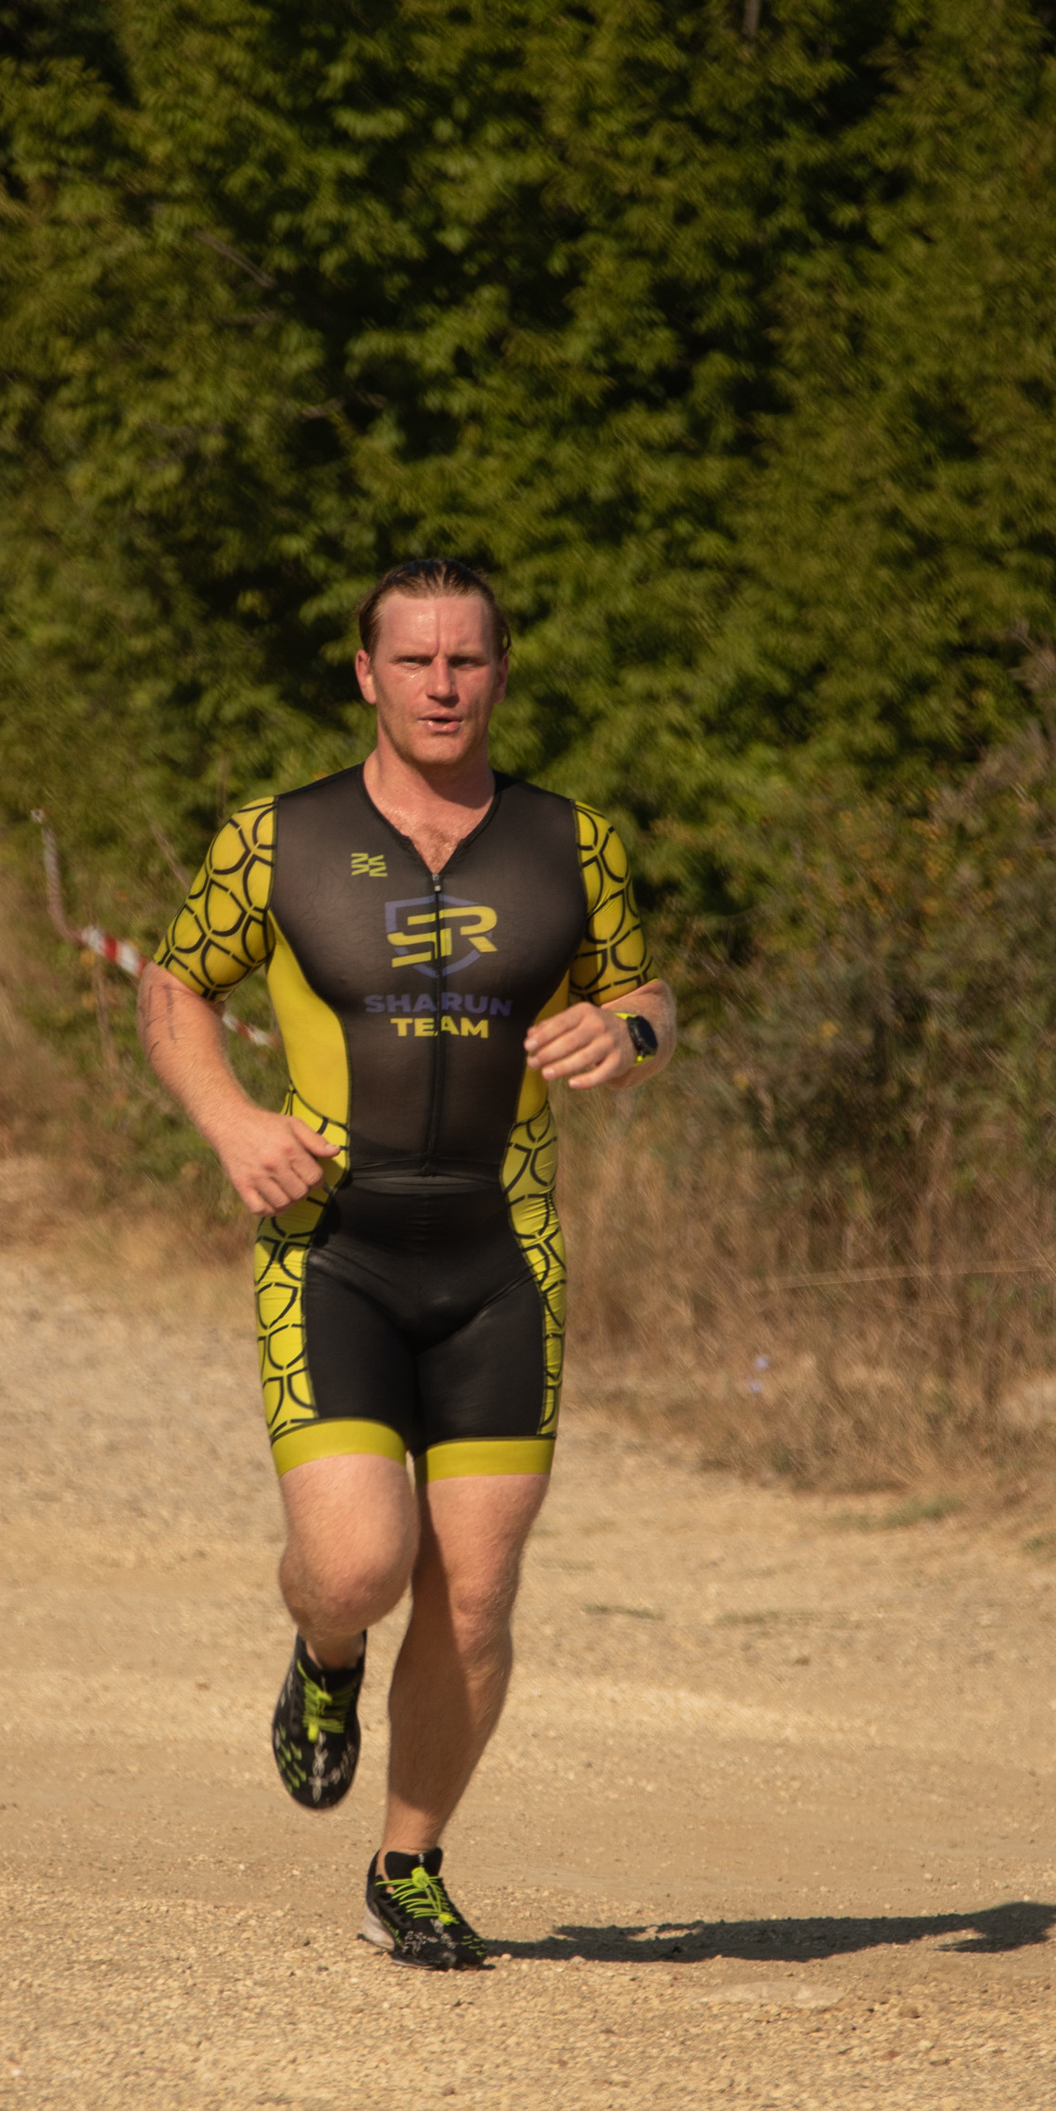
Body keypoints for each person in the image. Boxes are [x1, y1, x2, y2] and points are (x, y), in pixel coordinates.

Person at [137, 558, 678, 1969]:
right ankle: (325, 1656)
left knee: (479, 1591)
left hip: (506, 1261)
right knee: (362, 1565)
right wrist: (229, 1121)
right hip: (335, 1252)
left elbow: (644, 987)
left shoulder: (571, 842)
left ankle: (410, 1861)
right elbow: (174, 981)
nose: (444, 684)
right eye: (416, 660)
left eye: (469, 660)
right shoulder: (282, 839)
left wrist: (633, 1038)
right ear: (365, 675)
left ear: (501, 672)